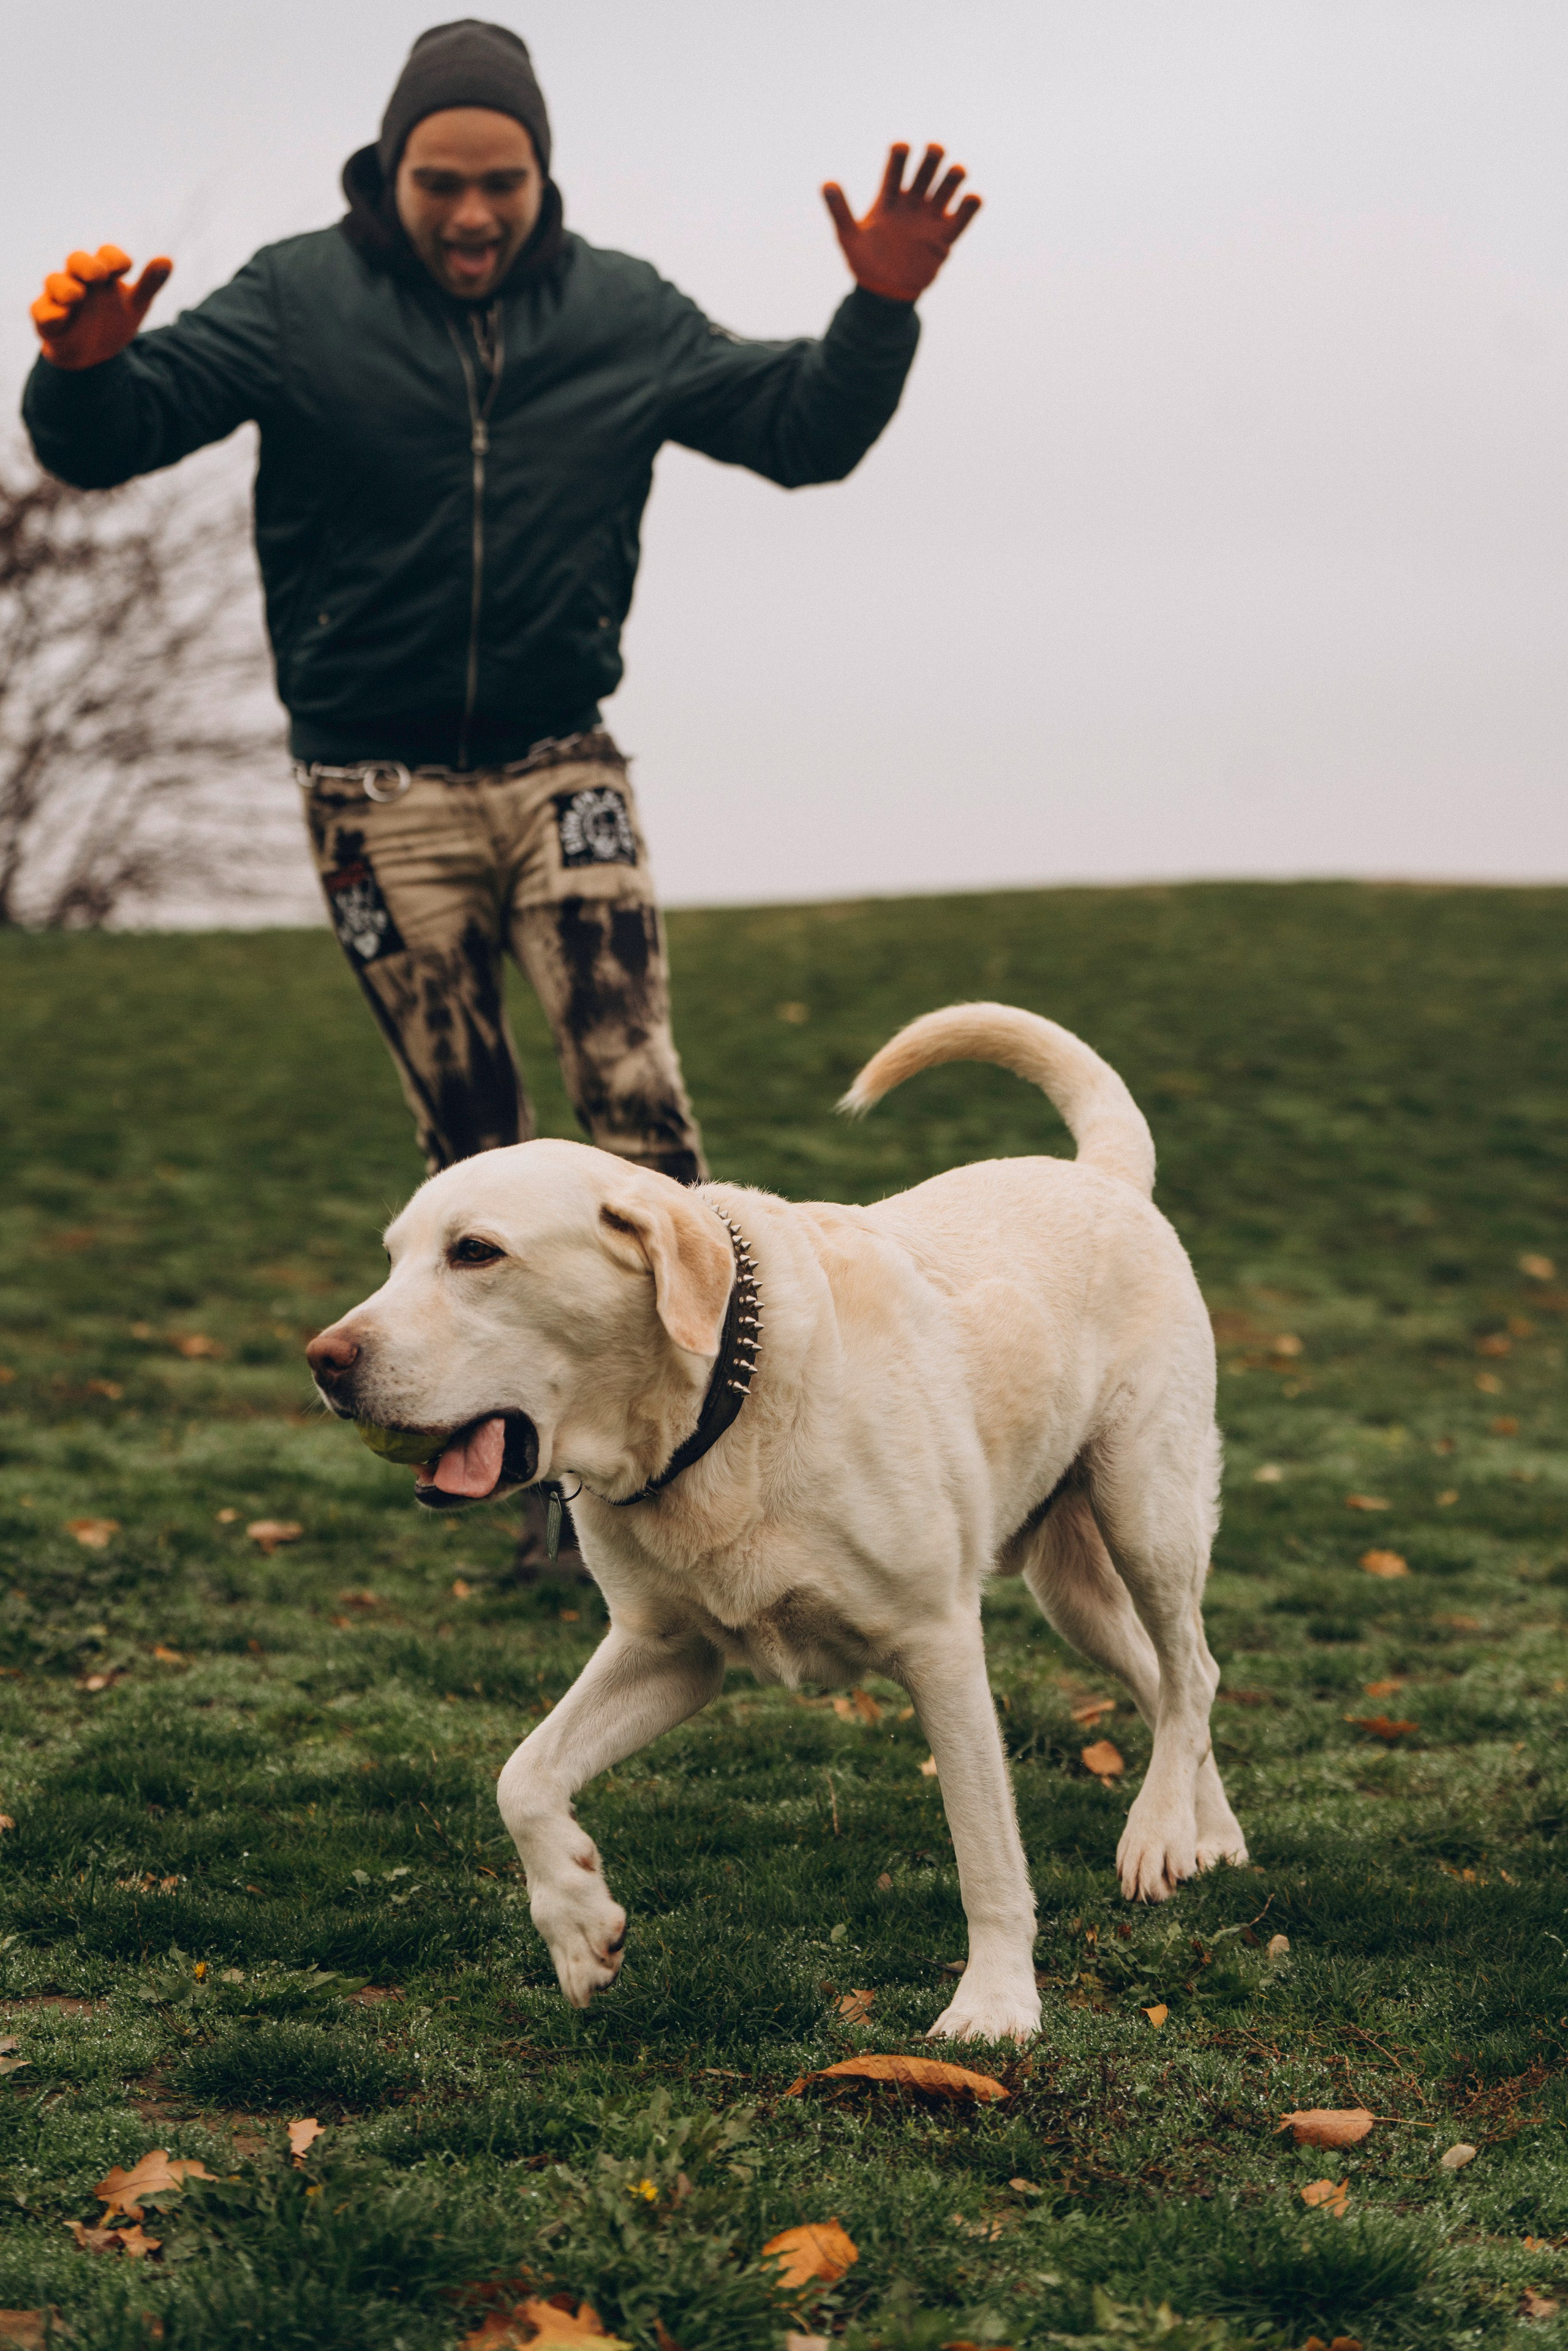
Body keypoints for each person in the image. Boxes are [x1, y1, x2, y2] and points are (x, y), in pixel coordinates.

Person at [23, 17, 981, 1564]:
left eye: (502, 182)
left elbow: (799, 430)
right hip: (368, 787)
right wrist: (75, 375)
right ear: (388, 172)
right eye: (438, 182)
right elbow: (111, 431)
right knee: (468, 1141)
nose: (471, 214)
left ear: (543, 175)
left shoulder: (620, 313)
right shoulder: (293, 301)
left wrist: (876, 308)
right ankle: (538, 1471)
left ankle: (717, 1441)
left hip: (560, 767)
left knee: (637, 1102)